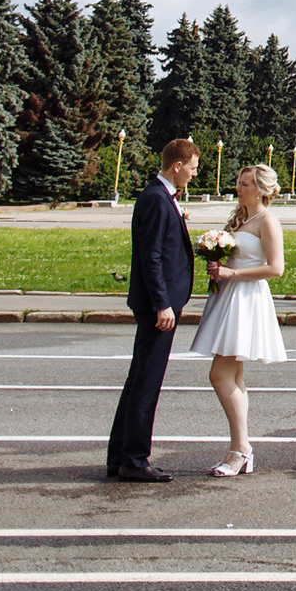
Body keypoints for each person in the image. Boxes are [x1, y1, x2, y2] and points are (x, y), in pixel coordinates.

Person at [108, 137, 198, 483]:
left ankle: (120, 456)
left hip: (160, 305)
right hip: (158, 308)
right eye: (191, 168)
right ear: (177, 166)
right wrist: (163, 304)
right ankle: (133, 459)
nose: (193, 175)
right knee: (146, 383)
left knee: (138, 381)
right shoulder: (157, 200)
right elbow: (152, 257)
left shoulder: (159, 197)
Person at [188, 162, 288, 476]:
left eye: (246, 184)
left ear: (261, 190)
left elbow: (276, 268)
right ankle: (240, 448)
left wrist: (233, 272)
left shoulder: (266, 221)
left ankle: (241, 448)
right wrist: (216, 262)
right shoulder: (242, 220)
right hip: (229, 298)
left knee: (219, 375)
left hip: (246, 301)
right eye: (239, 182)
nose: (239, 188)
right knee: (234, 376)